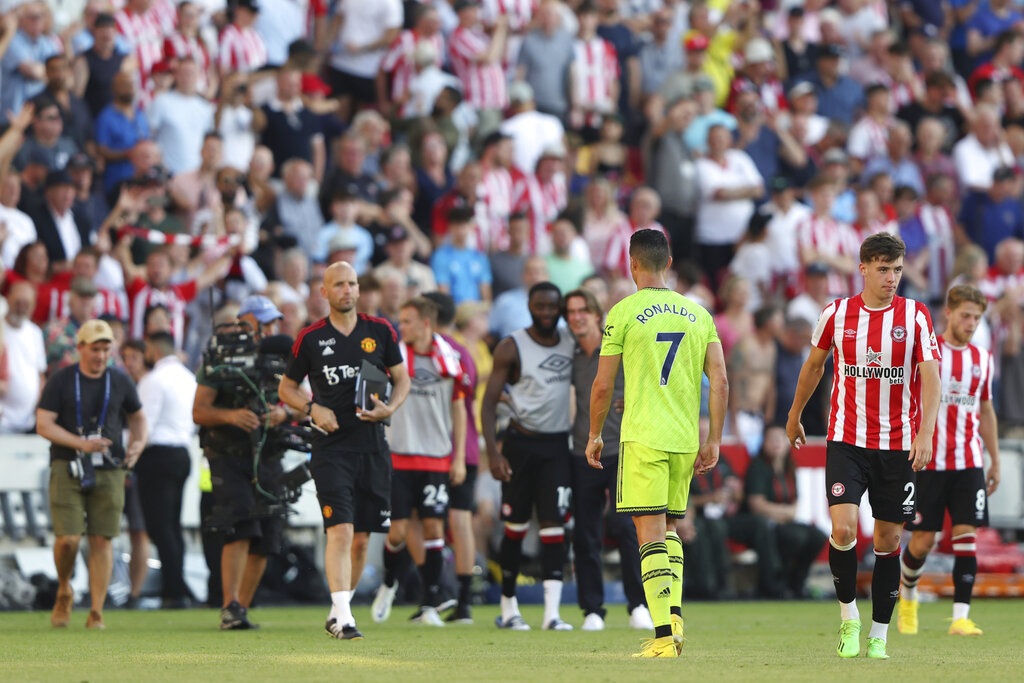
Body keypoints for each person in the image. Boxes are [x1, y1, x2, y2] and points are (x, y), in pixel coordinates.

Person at [786, 232, 941, 660]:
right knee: (843, 529)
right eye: (883, 269)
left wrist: (926, 432)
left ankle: (879, 635)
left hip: (898, 445)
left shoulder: (915, 316)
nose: (891, 278)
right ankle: (849, 618)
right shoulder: (835, 314)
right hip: (847, 441)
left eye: (896, 270)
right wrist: (795, 413)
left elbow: (930, 378)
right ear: (863, 269)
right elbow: (814, 366)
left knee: (888, 539)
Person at [586, 228, 727, 658]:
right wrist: (714, 439)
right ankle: (675, 618)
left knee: (647, 532)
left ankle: (665, 636)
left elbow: (602, 386)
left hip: (643, 436)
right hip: (684, 438)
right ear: (668, 263)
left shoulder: (623, 312)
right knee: (668, 530)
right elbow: (719, 379)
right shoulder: (698, 314)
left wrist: (594, 435)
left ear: (632, 264)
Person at [278, 262, 410, 640]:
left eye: (352, 283)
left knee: (363, 537)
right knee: (341, 529)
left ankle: (339, 610)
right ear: (324, 292)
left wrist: (390, 408)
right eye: (339, 284)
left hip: (372, 446)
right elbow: (286, 389)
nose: (348, 290)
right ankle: (345, 617)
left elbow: (402, 379)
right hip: (331, 448)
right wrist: (311, 407)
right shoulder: (311, 338)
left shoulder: (381, 330)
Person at [899, 285, 1001, 637]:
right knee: (923, 542)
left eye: (977, 317)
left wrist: (995, 460)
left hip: (968, 461)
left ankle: (960, 617)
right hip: (928, 461)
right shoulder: (929, 353)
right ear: (949, 313)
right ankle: (908, 594)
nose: (971, 323)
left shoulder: (983, 359)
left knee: (966, 535)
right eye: (966, 316)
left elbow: (986, 409)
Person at [36, 319, 148, 629]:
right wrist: (81, 444)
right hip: (67, 463)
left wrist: (138, 444)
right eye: (94, 349)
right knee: (68, 539)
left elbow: (138, 417)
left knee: (102, 539)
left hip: (109, 467)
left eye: (105, 349)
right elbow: (43, 424)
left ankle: (96, 609)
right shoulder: (61, 380)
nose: (100, 356)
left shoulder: (120, 380)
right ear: (80, 348)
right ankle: (64, 589)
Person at [192, 296, 294, 630]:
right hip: (228, 455)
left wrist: (284, 413)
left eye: (273, 322)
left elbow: (298, 400)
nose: (270, 329)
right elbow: (199, 410)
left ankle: (242, 610)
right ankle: (229, 605)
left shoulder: (278, 359)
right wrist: (232, 415)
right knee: (240, 527)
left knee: (267, 534)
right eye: (264, 322)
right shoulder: (220, 358)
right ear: (244, 321)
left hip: (268, 453)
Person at [482, 281, 574, 632]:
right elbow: (489, 403)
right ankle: (509, 607)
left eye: (553, 306)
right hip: (520, 445)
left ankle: (553, 613)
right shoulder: (511, 346)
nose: (547, 313)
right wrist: (494, 451)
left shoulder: (570, 342)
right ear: (530, 306)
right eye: (540, 306)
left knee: (555, 527)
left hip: (556, 447)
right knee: (515, 526)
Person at [370, 297, 467, 626]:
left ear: (426, 323)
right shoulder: (393, 359)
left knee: (433, 527)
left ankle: (429, 603)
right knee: (396, 531)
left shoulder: (449, 360)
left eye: (408, 321)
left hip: (437, 457)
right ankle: (388, 583)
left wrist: (458, 458)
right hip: (399, 455)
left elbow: (458, 407)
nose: (402, 326)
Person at [566, 288, 651, 632]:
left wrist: (630, 402)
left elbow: (646, 383)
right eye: (571, 311)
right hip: (580, 450)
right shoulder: (569, 355)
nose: (577, 316)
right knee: (585, 533)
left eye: (583, 310)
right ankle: (592, 610)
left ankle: (639, 605)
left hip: (619, 448)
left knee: (625, 528)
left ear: (597, 314)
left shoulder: (618, 347)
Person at [134, 330, 197, 608]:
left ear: (152, 350)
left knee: (160, 527)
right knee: (172, 525)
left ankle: (173, 591)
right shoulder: (189, 378)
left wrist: (130, 456)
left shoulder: (153, 380)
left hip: (157, 456)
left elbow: (143, 423)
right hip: (182, 452)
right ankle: (176, 586)